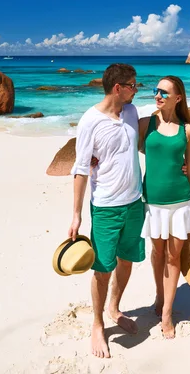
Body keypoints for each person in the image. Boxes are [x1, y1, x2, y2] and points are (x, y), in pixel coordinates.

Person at [69, 63, 144, 359]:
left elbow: (140, 145)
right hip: (106, 208)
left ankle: (114, 308)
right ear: (118, 88)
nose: (136, 90)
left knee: (127, 261)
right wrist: (76, 214)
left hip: (135, 203)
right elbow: (80, 169)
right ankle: (98, 324)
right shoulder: (90, 121)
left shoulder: (131, 112)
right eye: (133, 85)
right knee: (102, 269)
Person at [139, 75, 190, 339]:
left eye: (165, 93)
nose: (158, 95)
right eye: (157, 91)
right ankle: (159, 294)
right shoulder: (146, 123)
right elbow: (129, 148)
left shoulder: (188, 130)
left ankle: (167, 311)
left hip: (180, 201)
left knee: (173, 256)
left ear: (178, 98)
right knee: (157, 252)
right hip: (152, 201)